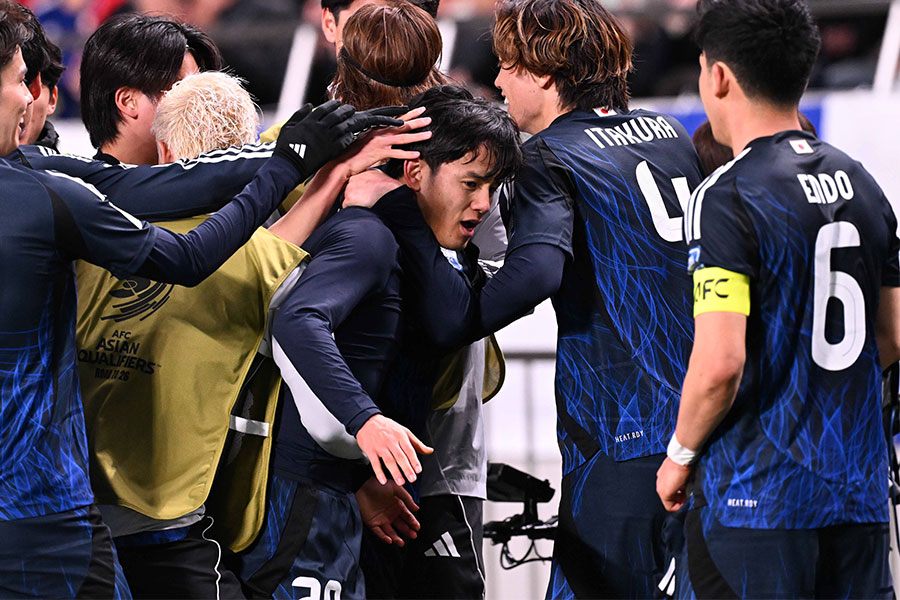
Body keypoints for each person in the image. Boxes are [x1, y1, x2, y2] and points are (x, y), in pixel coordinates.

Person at [0, 1, 404, 597]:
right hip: (56, 515)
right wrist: (301, 164)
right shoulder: (52, 196)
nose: (33, 98)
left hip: (106, 514)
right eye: (19, 80)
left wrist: (305, 161)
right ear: (131, 104)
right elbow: (199, 257)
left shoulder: (54, 184)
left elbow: (163, 190)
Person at [350, 0, 705, 596]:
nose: (498, 81)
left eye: (509, 65)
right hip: (698, 422)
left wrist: (453, 307)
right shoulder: (670, 135)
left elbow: (536, 273)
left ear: (544, 71)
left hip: (621, 433)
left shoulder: (548, 153)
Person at [69, 71, 426, 599]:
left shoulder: (90, 235)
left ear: (164, 151)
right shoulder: (258, 265)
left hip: (73, 501)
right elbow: (278, 254)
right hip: (172, 521)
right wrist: (338, 172)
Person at [655, 1, 900, 598]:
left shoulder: (726, 194)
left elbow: (721, 363)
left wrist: (679, 455)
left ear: (718, 76)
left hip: (759, 500)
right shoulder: (862, 182)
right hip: (857, 493)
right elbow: (892, 335)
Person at [80, 12, 222, 165]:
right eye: (180, 86)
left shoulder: (214, 170)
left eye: (200, 86)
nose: (202, 102)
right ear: (128, 101)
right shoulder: (77, 180)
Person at [18, 2, 64, 148]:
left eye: (29, 83)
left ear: (52, 100)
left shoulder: (70, 163)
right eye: (17, 82)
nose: (24, 98)